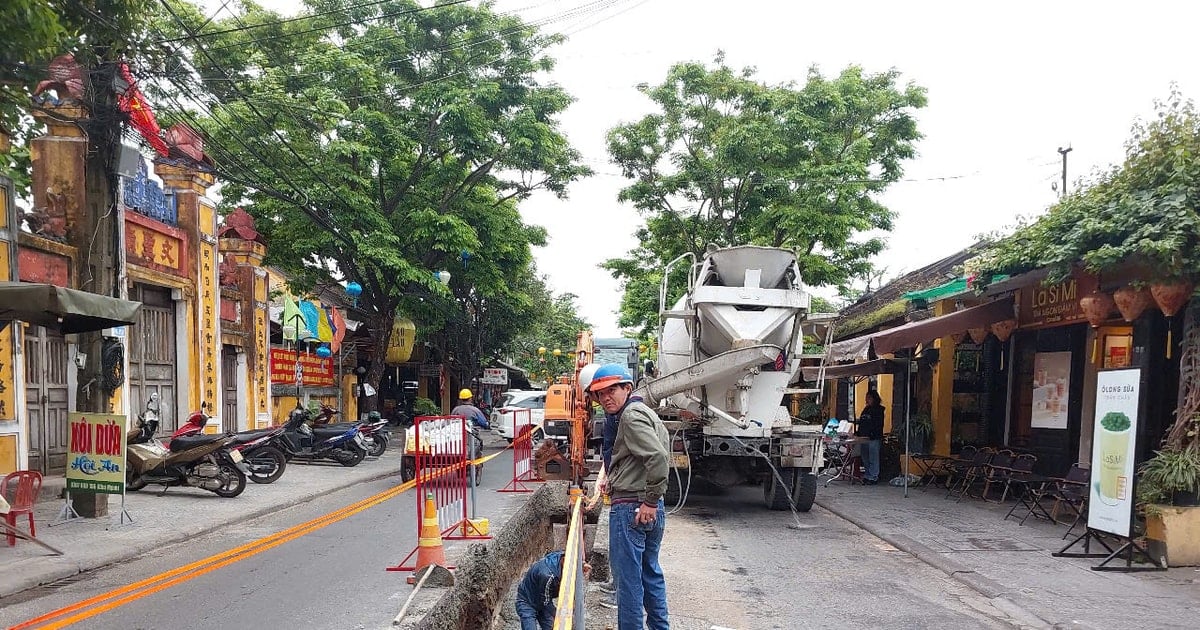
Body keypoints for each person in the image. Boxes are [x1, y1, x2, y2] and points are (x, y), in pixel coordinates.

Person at [587, 363, 670, 630]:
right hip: (647, 507)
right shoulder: (647, 413)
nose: (606, 398)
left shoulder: (631, 417)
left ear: (627, 388)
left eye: (612, 390)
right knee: (650, 575)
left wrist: (649, 501)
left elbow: (657, 458)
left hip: (633, 508)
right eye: (600, 394)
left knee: (629, 583)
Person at [515, 550, 590, 630]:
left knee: (552, 627)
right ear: (564, 562)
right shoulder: (547, 575)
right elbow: (546, 601)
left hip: (541, 602)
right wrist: (560, 615)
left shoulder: (560, 557)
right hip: (527, 602)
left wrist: (582, 565)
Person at [854, 390, 885, 485]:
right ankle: (867, 474)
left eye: (869, 397)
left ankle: (873, 476)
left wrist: (872, 433)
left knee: (873, 457)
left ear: (874, 398)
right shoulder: (866, 409)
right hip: (863, 437)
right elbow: (862, 422)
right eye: (866, 397)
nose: (867, 399)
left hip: (873, 438)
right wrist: (858, 433)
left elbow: (879, 424)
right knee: (865, 457)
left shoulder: (879, 410)